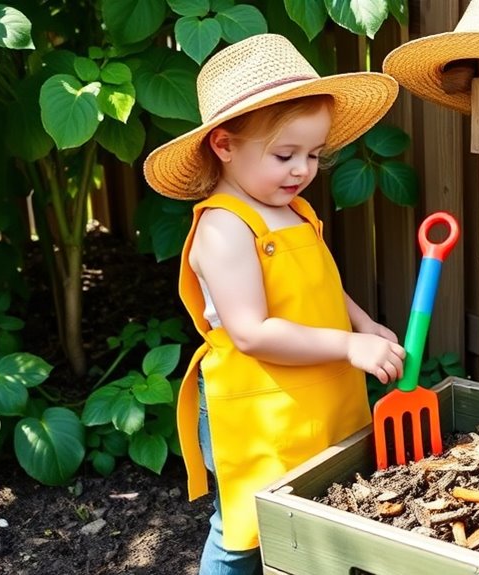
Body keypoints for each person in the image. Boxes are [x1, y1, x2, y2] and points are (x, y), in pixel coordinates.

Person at [143, 34, 404, 575]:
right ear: (223, 146)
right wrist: (347, 344)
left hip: (318, 386)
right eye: (285, 155)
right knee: (247, 526)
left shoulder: (294, 211)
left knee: (317, 509)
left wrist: (363, 322)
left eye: (313, 155)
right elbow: (252, 332)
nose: (302, 169)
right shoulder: (224, 227)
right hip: (260, 404)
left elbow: (318, 284)